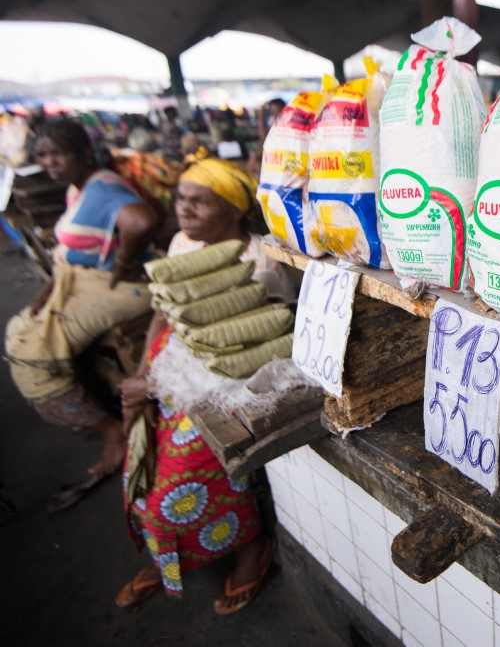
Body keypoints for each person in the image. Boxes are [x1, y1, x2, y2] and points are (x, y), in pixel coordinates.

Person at [114, 150, 290, 613]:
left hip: (218, 384)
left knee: (173, 490)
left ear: (234, 208)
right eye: (180, 199)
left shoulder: (260, 264)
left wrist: (157, 387)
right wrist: (144, 372)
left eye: (199, 202)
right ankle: (164, 552)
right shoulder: (180, 244)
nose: (184, 210)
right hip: (169, 368)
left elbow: (245, 355)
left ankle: (248, 544)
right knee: (138, 465)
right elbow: (161, 310)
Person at [4, 120, 157, 509]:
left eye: (59, 153)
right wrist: (50, 289)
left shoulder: (104, 186)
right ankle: (102, 415)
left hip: (119, 286)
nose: (51, 162)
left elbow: (140, 221)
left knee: (30, 353)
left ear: (84, 154)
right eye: (43, 156)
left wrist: (122, 264)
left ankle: (112, 432)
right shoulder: (80, 188)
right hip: (84, 281)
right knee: (20, 328)